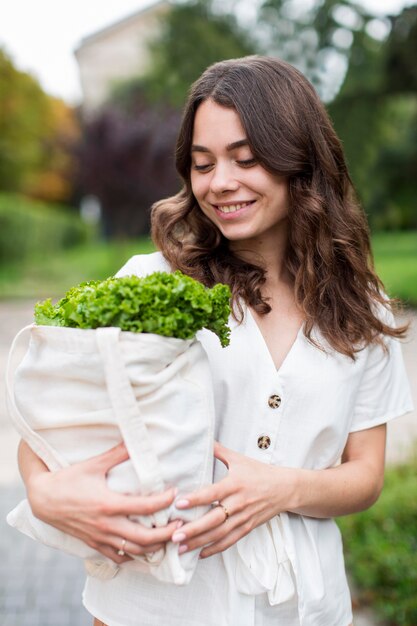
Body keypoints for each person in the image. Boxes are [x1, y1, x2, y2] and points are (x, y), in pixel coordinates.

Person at [18, 56, 413, 626]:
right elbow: (52, 426)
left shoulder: (359, 305)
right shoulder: (152, 284)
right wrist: (43, 492)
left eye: (245, 159)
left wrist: (282, 489)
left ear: (299, 160)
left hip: (302, 607)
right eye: (202, 164)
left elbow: (365, 474)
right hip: (154, 605)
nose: (220, 183)